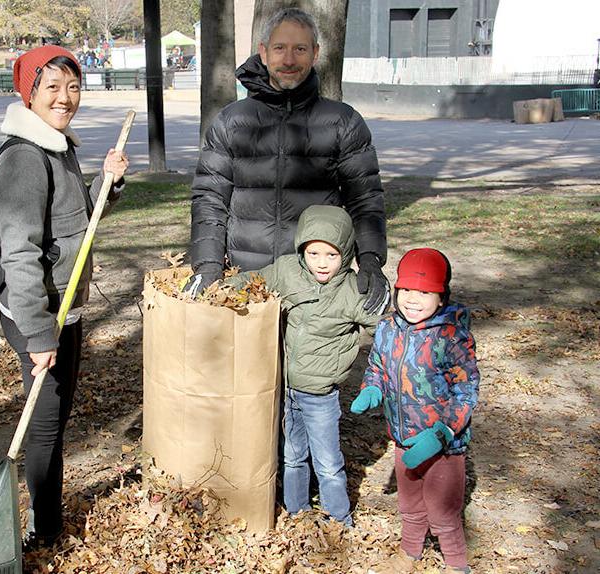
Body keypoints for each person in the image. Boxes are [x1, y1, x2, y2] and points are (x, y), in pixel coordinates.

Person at [0, 45, 128, 550]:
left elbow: (75, 227)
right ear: (28, 93)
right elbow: (20, 256)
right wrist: (38, 333)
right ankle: (43, 532)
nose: (65, 98)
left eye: (73, 86)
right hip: (39, 315)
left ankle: (45, 521)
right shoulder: (25, 158)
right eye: (52, 87)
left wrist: (105, 185)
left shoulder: (58, 145)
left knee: (56, 418)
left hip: (64, 311)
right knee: (44, 428)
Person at [187, 8, 388, 314]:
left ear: (316, 53)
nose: (290, 60)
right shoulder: (231, 121)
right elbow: (210, 198)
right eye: (280, 48)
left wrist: (371, 259)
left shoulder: (343, 122)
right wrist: (208, 264)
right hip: (245, 281)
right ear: (263, 52)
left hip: (316, 282)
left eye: (300, 49)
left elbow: (365, 199)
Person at [227, 205, 384, 525]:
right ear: (302, 250)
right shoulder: (287, 271)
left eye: (331, 254)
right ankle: (297, 511)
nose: (322, 263)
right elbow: (254, 280)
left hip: (321, 396)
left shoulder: (353, 290)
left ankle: (340, 519)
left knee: (327, 461)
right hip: (285, 389)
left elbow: (383, 327)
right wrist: (220, 286)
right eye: (314, 253)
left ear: (346, 254)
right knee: (292, 456)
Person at [351, 248, 479, 574]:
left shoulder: (452, 336)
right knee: (409, 505)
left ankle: (456, 563)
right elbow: (377, 366)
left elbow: (465, 392)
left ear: (441, 296)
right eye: (406, 289)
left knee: (442, 513)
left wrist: (443, 433)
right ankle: (410, 553)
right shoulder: (388, 329)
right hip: (404, 438)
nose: (412, 299)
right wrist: (372, 388)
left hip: (442, 447)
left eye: (424, 292)